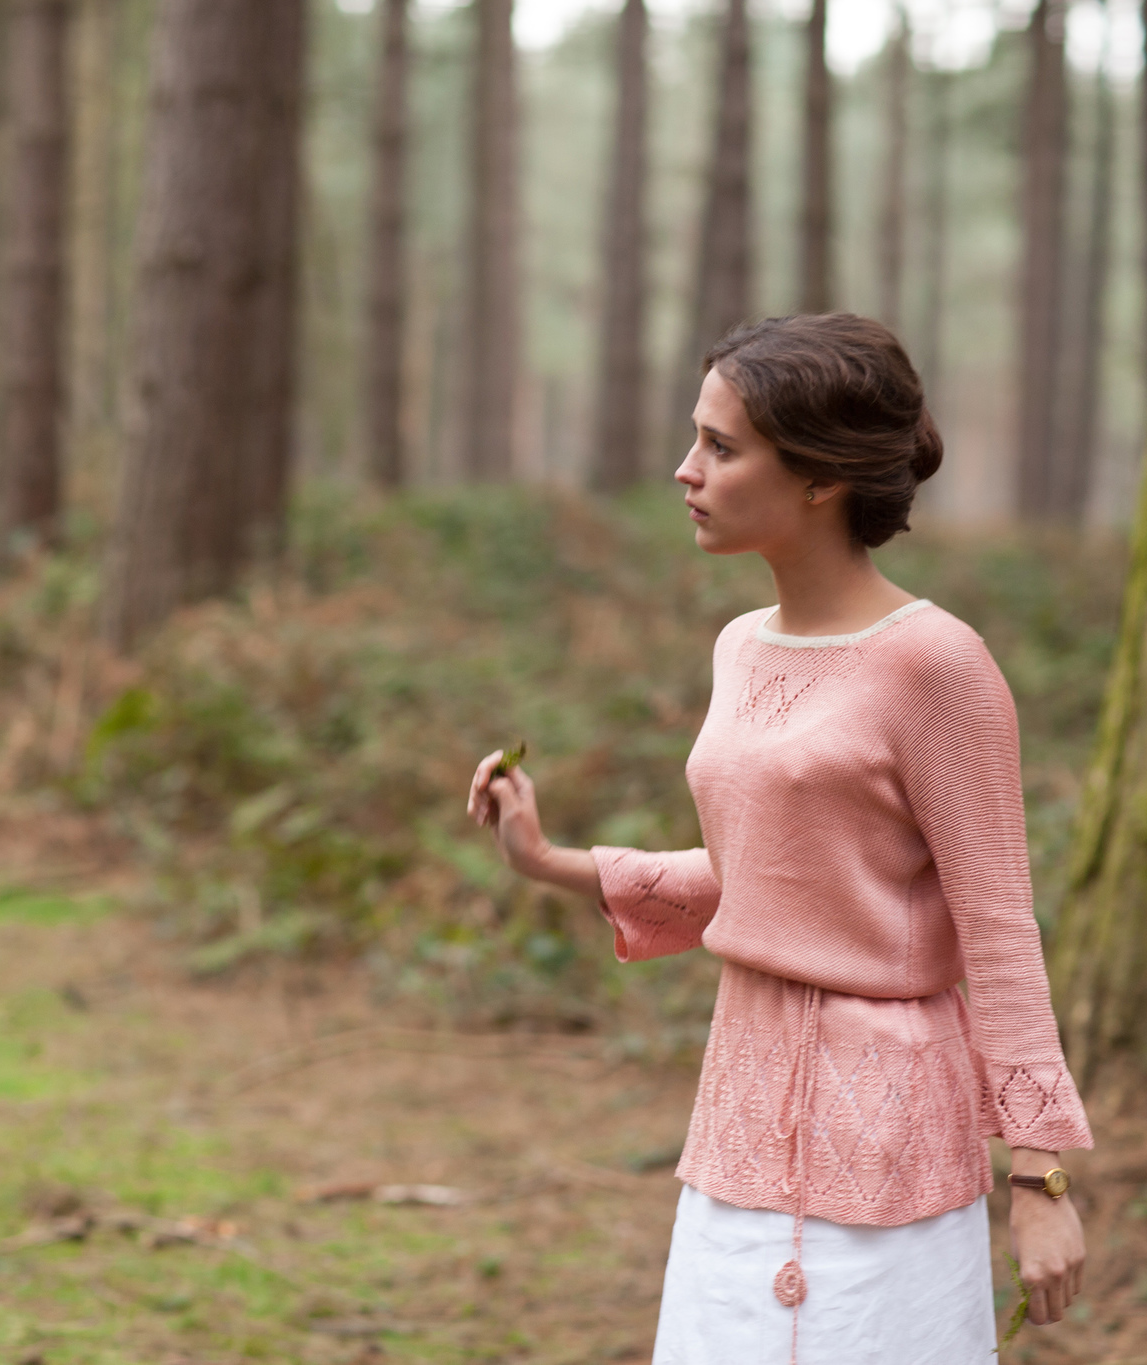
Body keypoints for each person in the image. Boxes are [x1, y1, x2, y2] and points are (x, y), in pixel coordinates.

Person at [467, 314, 1090, 1364]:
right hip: (735, 1123)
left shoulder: (936, 666)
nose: (684, 470)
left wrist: (1038, 1178)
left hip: (887, 1146)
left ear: (816, 478)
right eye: (693, 438)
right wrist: (548, 861)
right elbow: (774, 878)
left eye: (719, 445)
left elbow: (996, 928)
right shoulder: (737, 648)